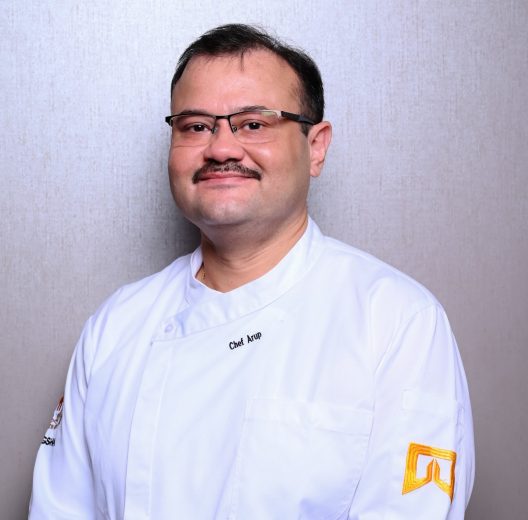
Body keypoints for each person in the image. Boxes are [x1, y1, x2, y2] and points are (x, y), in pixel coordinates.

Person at [29, 23, 474, 519]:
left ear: (316, 147)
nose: (221, 149)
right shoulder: (116, 326)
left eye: (253, 124)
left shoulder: (395, 322)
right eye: (196, 126)